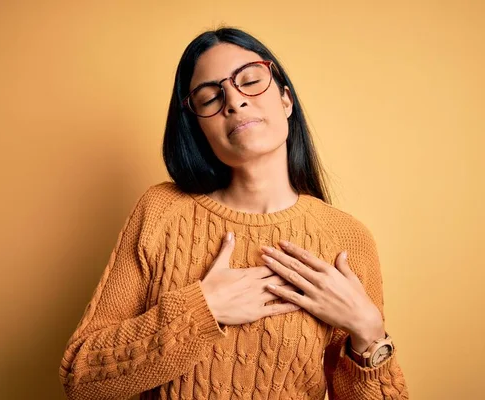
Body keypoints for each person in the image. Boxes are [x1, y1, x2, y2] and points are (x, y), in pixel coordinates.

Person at [59, 27, 408, 400]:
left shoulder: (346, 238)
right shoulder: (161, 211)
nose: (234, 102)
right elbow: (82, 379)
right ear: (198, 126)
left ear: (286, 101)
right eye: (210, 97)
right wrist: (201, 311)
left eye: (251, 81)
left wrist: (368, 332)